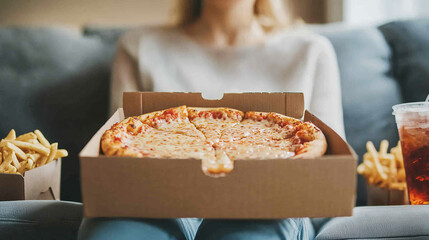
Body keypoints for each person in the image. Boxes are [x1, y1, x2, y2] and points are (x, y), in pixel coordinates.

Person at [79, 0, 344, 239]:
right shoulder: (138, 47)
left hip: (272, 200)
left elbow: (331, 182)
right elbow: (119, 169)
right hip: (158, 199)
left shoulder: (311, 51)